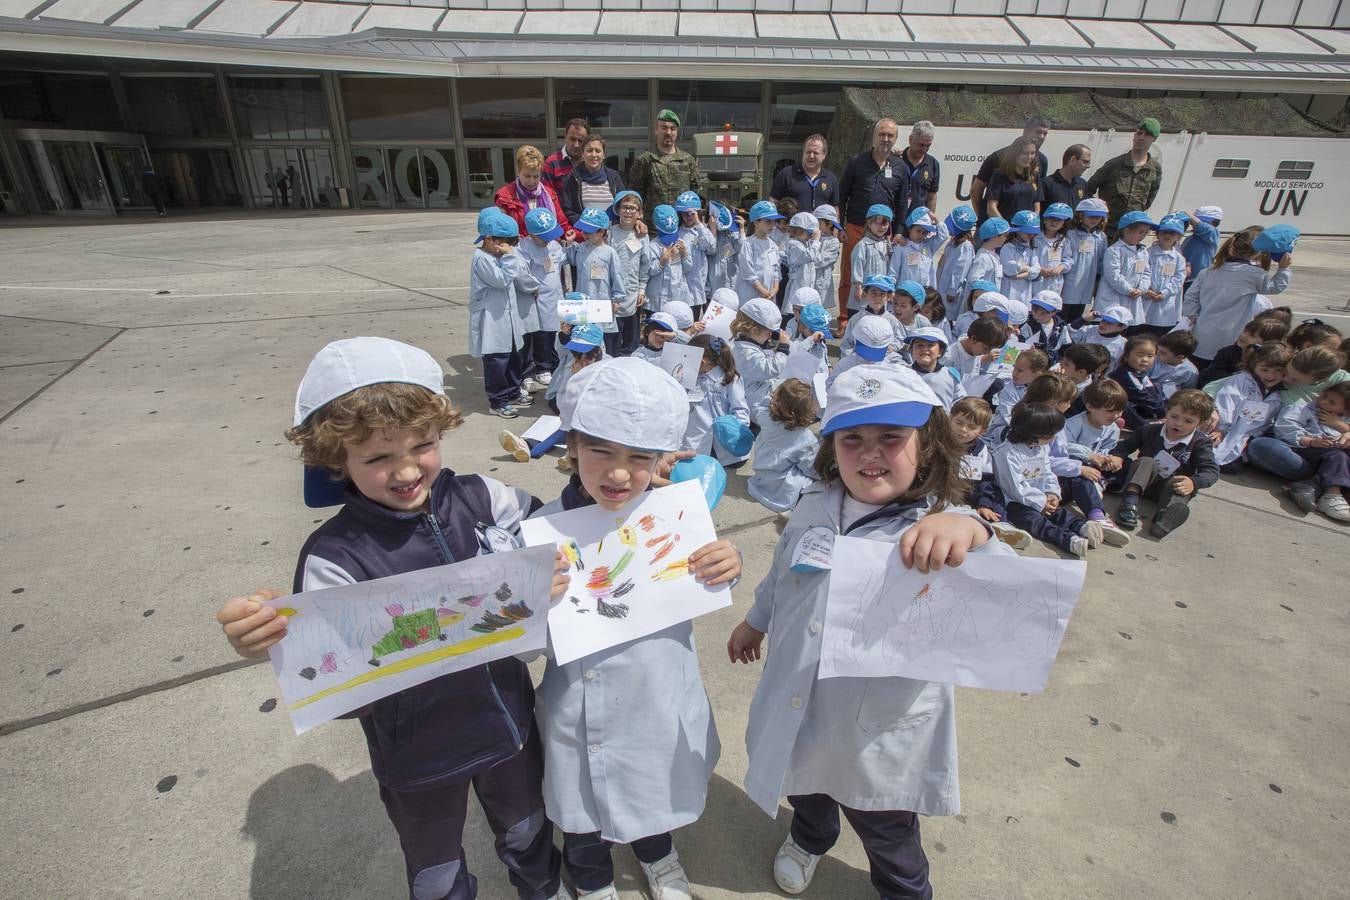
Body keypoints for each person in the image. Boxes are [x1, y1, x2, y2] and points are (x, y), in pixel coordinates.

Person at [216, 336, 570, 900]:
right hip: (418, 759)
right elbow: (340, 694)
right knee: (436, 870)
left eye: (422, 445)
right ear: (337, 460)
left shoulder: (483, 498)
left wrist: (610, 485)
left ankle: (543, 889)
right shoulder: (336, 557)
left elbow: (559, 530)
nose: (406, 471)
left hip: (510, 726)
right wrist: (274, 640)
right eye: (378, 458)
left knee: (529, 829)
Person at [728, 364, 1015, 900]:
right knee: (805, 786)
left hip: (879, 728)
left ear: (927, 444)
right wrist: (755, 620)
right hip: (800, 697)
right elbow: (784, 571)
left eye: (891, 437)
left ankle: (905, 889)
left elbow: (1006, 595)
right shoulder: (815, 501)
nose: (869, 453)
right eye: (852, 439)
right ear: (831, 446)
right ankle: (811, 837)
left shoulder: (940, 525)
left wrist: (975, 529)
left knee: (887, 827)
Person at [536, 357, 739, 900]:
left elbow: (707, 572)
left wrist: (727, 561)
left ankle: (657, 854)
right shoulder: (542, 531)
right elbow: (523, 643)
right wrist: (529, 601)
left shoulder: (675, 519)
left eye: (639, 457)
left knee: (652, 788)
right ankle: (592, 878)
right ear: (572, 445)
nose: (620, 474)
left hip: (656, 695)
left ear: (660, 459)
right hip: (577, 704)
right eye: (601, 451)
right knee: (582, 811)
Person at [992, 402, 1102, 557]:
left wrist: (1052, 493)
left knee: (1058, 512)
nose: (1055, 437)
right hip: (1014, 502)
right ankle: (1067, 540)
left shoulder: (1041, 447)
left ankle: (1081, 527)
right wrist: (1041, 501)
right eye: (1052, 434)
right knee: (1036, 521)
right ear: (1036, 434)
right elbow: (1015, 488)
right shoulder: (1006, 453)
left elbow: (1048, 472)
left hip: (1041, 496)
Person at [1110, 388, 1219, 536]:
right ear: (1167, 411)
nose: (1178, 423)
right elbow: (1125, 445)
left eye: (1188, 421)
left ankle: (1164, 519)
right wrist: (1118, 456)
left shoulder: (1200, 443)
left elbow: (1211, 471)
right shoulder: (1150, 430)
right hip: (1143, 482)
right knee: (1146, 461)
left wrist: (1194, 482)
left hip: (1169, 489)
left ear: (1200, 423)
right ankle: (1129, 503)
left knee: (1180, 484)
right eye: (1174, 416)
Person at [1181, 226, 1293, 366]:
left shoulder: (1209, 271)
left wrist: (1192, 315)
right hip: (1232, 336)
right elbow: (1276, 287)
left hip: (1203, 333)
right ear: (1258, 252)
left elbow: (1191, 296)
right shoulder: (1255, 274)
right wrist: (1283, 269)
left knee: (1199, 367)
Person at [836, 119, 909, 309]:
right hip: (855, 228)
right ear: (874, 136)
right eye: (881, 134)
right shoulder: (856, 163)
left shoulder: (900, 167)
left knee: (880, 275)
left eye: (890, 135)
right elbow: (841, 196)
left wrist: (899, 231)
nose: (885, 139)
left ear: (896, 138)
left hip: (884, 231)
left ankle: (875, 312)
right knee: (850, 275)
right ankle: (845, 317)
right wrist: (840, 226)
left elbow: (902, 203)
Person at [471, 207, 533, 418]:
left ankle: (513, 391)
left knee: (514, 355)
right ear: (488, 239)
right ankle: (497, 400)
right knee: (497, 360)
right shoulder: (482, 259)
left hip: (508, 317)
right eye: (502, 243)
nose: (506, 248)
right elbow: (502, 280)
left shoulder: (498, 255)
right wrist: (509, 257)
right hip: (492, 319)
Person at [1274, 382, 1350, 522]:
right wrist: (1310, 441)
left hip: (1328, 454)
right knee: (1337, 456)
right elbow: (1285, 427)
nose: (1324, 402)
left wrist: (1339, 425)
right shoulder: (1304, 408)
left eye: (1332, 403)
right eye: (1325, 396)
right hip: (1305, 449)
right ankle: (1331, 495)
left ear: (1345, 411)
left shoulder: (1342, 420)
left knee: (1343, 453)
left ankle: (1310, 487)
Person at [1210, 341, 1291, 471]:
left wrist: (1253, 437)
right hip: (1221, 430)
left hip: (1242, 439)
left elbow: (1265, 423)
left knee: (1232, 466)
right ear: (1254, 366)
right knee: (1208, 453)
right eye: (1264, 370)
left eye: (1278, 371)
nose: (1271, 376)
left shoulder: (1277, 395)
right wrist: (1221, 427)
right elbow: (1226, 402)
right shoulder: (1242, 380)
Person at [747, 378, 821, 514]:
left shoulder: (765, 418)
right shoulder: (806, 440)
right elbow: (811, 469)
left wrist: (772, 398)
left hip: (761, 478)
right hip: (783, 492)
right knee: (815, 478)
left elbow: (758, 406)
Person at [1063, 377, 1128, 525]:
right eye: (1110, 411)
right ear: (1090, 407)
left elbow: (1109, 446)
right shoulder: (1074, 424)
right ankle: (1096, 514)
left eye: (1119, 411)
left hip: (1095, 467)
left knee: (1127, 463)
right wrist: (1089, 455)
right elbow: (1062, 446)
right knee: (1080, 474)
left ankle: (1100, 483)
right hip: (1074, 468)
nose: (1116, 416)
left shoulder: (1112, 428)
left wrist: (1108, 460)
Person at [683, 334, 753, 467]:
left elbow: (740, 409)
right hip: (698, 440)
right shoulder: (688, 377)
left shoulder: (729, 378)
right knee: (699, 469)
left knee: (720, 469)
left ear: (703, 361)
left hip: (723, 441)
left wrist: (738, 434)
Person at [517, 207, 567, 390]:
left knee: (553, 333)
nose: (547, 240)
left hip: (555, 296)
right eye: (543, 237)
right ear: (531, 234)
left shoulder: (554, 245)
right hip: (536, 298)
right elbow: (521, 271)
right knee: (537, 335)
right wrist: (531, 286)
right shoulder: (523, 248)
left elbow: (562, 261)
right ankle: (537, 367)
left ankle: (549, 364)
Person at [1087, 118, 1164, 236]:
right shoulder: (1114, 164)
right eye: (1139, 133)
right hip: (1106, 230)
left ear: (1154, 139)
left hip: (1131, 232)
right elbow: (1089, 188)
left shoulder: (1155, 169)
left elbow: (1148, 200)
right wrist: (1098, 212)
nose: (1141, 138)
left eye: (1147, 135)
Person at [628, 109, 704, 225]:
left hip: (682, 226)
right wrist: (638, 220)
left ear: (676, 132)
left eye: (672, 128)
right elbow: (635, 195)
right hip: (653, 227)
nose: (668, 132)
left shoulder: (688, 160)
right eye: (664, 128)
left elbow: (695, 192)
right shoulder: (645, 160)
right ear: (656, 129)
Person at [971, 116, 1051, 224]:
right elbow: (976, 191)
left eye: (1045, 133)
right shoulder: (997, 157)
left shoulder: (1042, 160)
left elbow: (1036, 199)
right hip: (996, 227)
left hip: (1023, 230)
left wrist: (1031, 224)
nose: (1042, 137)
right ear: (1026, 131)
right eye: (1038, 132)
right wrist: (983, 220)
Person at [495, 145, 574, 242]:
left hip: (547, 246)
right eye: (527, 176)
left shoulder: (550, 194)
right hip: (518, 248)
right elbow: (500, 231)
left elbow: (562, 223)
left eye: (536, 177)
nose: (531, 181)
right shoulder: (504, 197)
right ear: (518, 171)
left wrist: (571, 233)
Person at [730, 297, 790, 422]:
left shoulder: (742, 345)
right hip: (753, 403)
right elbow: (771, 369)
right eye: (768, 333)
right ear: (754, 330)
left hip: (753, 391)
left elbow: (758, 359)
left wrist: (774, 352)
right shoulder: (747, 353)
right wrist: (783, 350)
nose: (770, 337)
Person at [1095, 211, 1155, 328]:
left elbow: (1146, 273)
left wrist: (1142, 289)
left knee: (1126, 328)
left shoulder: (1143, 252)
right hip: (1113, 298)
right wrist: (1129, 290)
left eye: (1146, 233)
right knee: (1109, 326)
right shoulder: (1114, 250)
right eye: (1140, 232)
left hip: (1133, 299)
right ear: (1127, 230)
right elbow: (1113, 275)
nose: (1143, 236)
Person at [1196, 313, 1288, 388]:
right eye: (1245, 331)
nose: (1244, 336)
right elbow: (1213, 375)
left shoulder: (1272, 359)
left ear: (1268, 342)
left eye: (1252, 335)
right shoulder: (1227, 353)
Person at [607, 190, 649, 357]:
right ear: (618, 210)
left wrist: (642, 290)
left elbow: (645, 265)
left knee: (631, 341)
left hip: (632, 293)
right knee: (612, 340)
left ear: (639, 213)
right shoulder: (609, 233)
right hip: (612, 294)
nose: (628, 211)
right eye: (625, 207)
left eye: (633, 208)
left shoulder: (642, 236)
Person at [560, 133, 625, 225]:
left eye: (598, 151)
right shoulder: (572, 179)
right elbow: (568, 210)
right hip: (585, 232)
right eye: (589, 150)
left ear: (603, 155)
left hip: (613, 231)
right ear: (583, 154)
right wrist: (586, 227)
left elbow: (624, 204)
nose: (594, 155)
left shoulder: (614, 177)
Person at [1061, 199, 1108, 322]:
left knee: (1077, 317)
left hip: (1087, 285)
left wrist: (1096, 285)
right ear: (1081, 215)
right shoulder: (1070, 234)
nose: (1094, 220)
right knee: (1061, 316)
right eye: (1090, 216)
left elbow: (1101, 263)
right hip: (1069, 282)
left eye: (1098, 217)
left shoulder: (1101, 237)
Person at [770, 134, 840, 214]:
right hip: (791, 222)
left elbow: (835, 209)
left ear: (824, 155)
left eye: (815, 153)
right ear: (803, 152)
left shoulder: (831, 179)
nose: (811, 156)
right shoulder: (786, 174)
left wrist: (837, 222)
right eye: (808, 152)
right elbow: (773, 201)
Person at [847, 204, 897, 316]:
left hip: (880, 292)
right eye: (877, 223)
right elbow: (857, 265)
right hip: (863, 293)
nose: (881, 227)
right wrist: (858, 287)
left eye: (885, 224)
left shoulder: (886, 244)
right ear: (869, 223)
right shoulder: (862, 245)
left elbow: (889, 268)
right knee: (859, 319)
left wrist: (891, 288)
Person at [1109, 335, 1166, 430]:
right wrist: (1161, 410)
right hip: (1117, 405)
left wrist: (1160, 408)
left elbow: (1151, 392)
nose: (1145, 360)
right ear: (1126, 356)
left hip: (1137, 403)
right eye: (1140, 355)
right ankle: (1144, 427)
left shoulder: (1141, 372)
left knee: (1157, 385)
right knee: (1122, 403)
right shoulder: (1125, 374)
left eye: (1150, 356)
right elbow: (1141, 397)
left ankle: (1154, 417)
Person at [1142, 215, 1187, 336]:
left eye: (1172, 233)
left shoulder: (1179, 258)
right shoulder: (1146, 253)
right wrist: (1146, 289)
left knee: (1159, 335)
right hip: (1146, 298)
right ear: (1157, 234)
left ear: (1178, 236)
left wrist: (1165, 293)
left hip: (1165, 304)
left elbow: (1178, 279)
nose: (1167, 236)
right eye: (1164, 232)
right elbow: (1141, 273)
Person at [983, 138, 1043, 222]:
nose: (1029, 157)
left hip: (1027, 229)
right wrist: (1005, 227)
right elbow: (991, 208)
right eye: (1025, 153)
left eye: (1032, 153)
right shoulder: (999, 175)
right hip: (1005, 228)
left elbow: (1036, 204)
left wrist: (1032, 223)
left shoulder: (1034, 176)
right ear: (1015, 154)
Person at [737, 200, 784, 306]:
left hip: (769, 293)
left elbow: (776, 269)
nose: (772, 225)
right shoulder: (749, 244)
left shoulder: (773, 246)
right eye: (768, 221)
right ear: (756, 223)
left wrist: (775, 288)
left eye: (774, 221)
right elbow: (747, 270)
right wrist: (760, 289)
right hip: (751, 293)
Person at [935, 205, 978, 321]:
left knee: (948, 318)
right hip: (942, 288)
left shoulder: (965, 246)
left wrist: (952, 291)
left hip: (951, 294)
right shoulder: (953, 242)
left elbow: (960, 270)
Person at [889, 207, 948, 289]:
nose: (921, 235)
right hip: (906, 292)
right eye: (918, 231)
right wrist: (891, 289)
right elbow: (893, 271)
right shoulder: (901, 247)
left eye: (925, 232)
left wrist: (935, 219)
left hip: (925, 292)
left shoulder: (929, 245)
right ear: (909, 229)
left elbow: (944, 235)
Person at [999, 210, 1042, 305]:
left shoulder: (1031, 249)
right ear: (1017, 230)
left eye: (1033, 232)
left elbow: (1037, 269)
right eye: (1027, 231)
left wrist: (1024, 273)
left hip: (1025, 295)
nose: (1030, 235)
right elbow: (1009, 269)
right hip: (1008, 293)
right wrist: (1028, 269)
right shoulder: (1007, 247)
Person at [900, 121, 940, 217]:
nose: (924, 149)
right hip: (896, 218)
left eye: (928, 145)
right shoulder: (897, 160)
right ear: (910, 140)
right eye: (921, 145)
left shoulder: (933, 164)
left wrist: (930, 218)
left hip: (918, 220)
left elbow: (932, 196)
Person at [1035, 203, 1075, 299]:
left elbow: (1068, 260)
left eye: (1059, 220)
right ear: (1044, 220)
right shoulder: (1035, 238)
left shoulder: (1064, 241)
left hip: (1055, 282)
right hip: (1037, 280)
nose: (1054, 222)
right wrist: (1039, 269)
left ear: (1063, 224)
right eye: (1051, 218)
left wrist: (1061, 267)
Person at [1180, 206, 1223, 293]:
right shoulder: (1190, 238)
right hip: (1183, 279)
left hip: (1197, 280)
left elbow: (1202, 227)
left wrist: (1186, 213)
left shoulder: (1213, 234)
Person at [544, 117, 590, 196]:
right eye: (572, 139)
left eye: (580, 141)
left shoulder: (591, 162)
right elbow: (547, 197)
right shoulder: (551, 164)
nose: (576, 145)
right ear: (565, 137)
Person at [1023, 290, 1071, 364]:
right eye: (1034, 310)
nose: (1037, 315)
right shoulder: (1027, 324)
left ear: (1054, 312)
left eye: (1043, 313)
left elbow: (1066, 348)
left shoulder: (1061, 326)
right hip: (1030, 360)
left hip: (1052, 363)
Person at [1151, 331, 1200, 397]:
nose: (1157, 353)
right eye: (1157, 349)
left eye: (1163, 353)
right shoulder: (1151, 359)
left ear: (1179, 357)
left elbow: (1187, 394)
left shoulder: (1190, 372)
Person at [1043, 144, 1092, 210]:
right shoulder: (1047, 184)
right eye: (1085, 162)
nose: (1088, 166)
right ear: (1072, 160)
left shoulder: (1082, 184)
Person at [811, 205, 843, 308]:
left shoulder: (834, 242)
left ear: (829, 224)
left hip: (822, 283)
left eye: (818, 223)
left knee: (819, 308)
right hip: (808, 280)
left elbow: (819, 261)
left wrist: (815, 242)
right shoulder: (810, 238)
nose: (815, 226)